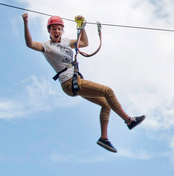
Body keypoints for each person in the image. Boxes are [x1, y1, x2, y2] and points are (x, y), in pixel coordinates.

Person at [22, 12, 144, 153]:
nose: (57, 31)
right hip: (69, 83)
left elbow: (84, 43)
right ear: (49, 30)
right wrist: (26, 23)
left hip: (76, 80)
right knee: (108, 91)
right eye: (54, 28)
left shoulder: (66, 42)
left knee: (106, 104)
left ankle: (103, 138)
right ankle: (129, 120)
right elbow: (30, 44)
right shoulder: (47, 46)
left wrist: (81, 27)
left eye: (59, 28)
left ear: (62, 30)